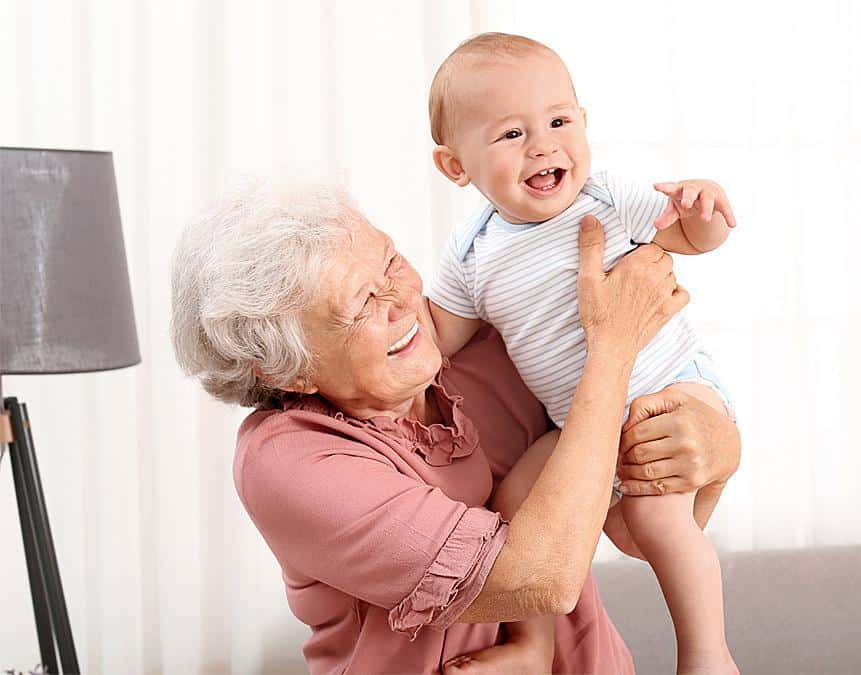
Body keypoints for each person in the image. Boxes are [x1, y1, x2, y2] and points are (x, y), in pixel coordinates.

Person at [169, 178, 741, 674]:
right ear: (283, 368)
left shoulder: (490, 349)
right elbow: (538, 579)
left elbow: (634, 529)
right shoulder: (290, 459)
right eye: (360, 305)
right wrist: (612, 347)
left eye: (390, 262)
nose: (402, 301)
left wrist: (718, 446)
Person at [425, 32, 739, 673]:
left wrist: (703, 208)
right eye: (511, 134)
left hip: (667, 389)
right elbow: (437, 339)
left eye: (559, 122)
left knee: (655, 519)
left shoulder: (606, 197)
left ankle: (708, 653)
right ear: (456, 167)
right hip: (582, 426)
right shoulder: (472, 252)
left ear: (584, 123)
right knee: (515, 507)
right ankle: (533, 645)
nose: (543, 145)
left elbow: (689, 238)